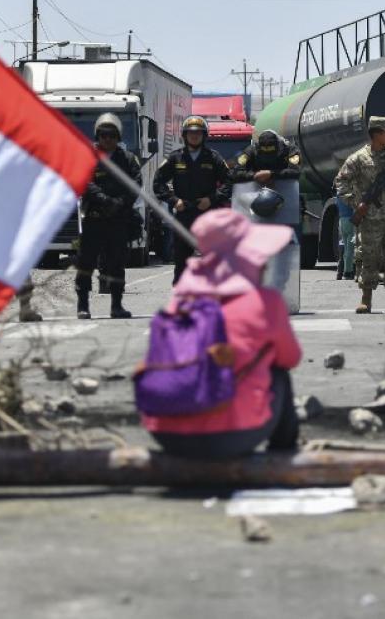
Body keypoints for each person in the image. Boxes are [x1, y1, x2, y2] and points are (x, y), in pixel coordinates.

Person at [141, 210, 301, 458]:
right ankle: (283, 450)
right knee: (277, 370)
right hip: (230, 437)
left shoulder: (180, 301)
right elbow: (290, 358)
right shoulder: (265, 301)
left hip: (166, 435)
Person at [335, 116, 385, 314]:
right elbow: (340, 183)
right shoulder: (358, 158)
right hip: (369, 219)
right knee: (368, 257)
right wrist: (355, 203)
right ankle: (366, 299)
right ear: (376, 134)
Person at [75, 113, 142, 319]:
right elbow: (84, 181)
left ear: (118, 136)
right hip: (94, 218)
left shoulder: (128, 159)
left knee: (117, 263)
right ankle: (83, 305)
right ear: (97, 136)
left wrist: (120, 203)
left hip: (118, 219)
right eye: (103, 135)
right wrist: (103, 199)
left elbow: (136, 183)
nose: (108, 139)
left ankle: (116, 305)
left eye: (112, 135)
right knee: (86, 263)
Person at [154, 116, 231, 282]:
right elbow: (158, 183)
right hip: (184, 215)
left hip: (207, 215)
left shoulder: (214, 158)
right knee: (182, 260)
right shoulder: (175, 158)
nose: (194, 136)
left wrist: (212, 199)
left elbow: (229, 182)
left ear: (204, 135)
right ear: (184, 135)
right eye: (190, 133)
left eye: (198, 133)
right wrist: (174, 201)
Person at [228, 129, 301, 185]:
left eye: (271, 153)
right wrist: (255, 175)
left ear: (279, 146)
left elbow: (296, 171)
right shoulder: (250, 151)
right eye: (264, 153)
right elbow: (235, 172)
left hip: (285, 190)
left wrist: (271, 174)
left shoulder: (290, 150)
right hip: (255, 191)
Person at [335, 192, 355, 281]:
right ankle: (348, 272)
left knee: (345, 246)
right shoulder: (350, 196)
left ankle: (340, 271)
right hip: (350, 220)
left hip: (342, 220)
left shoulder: (338, 195)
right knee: (351, 248)